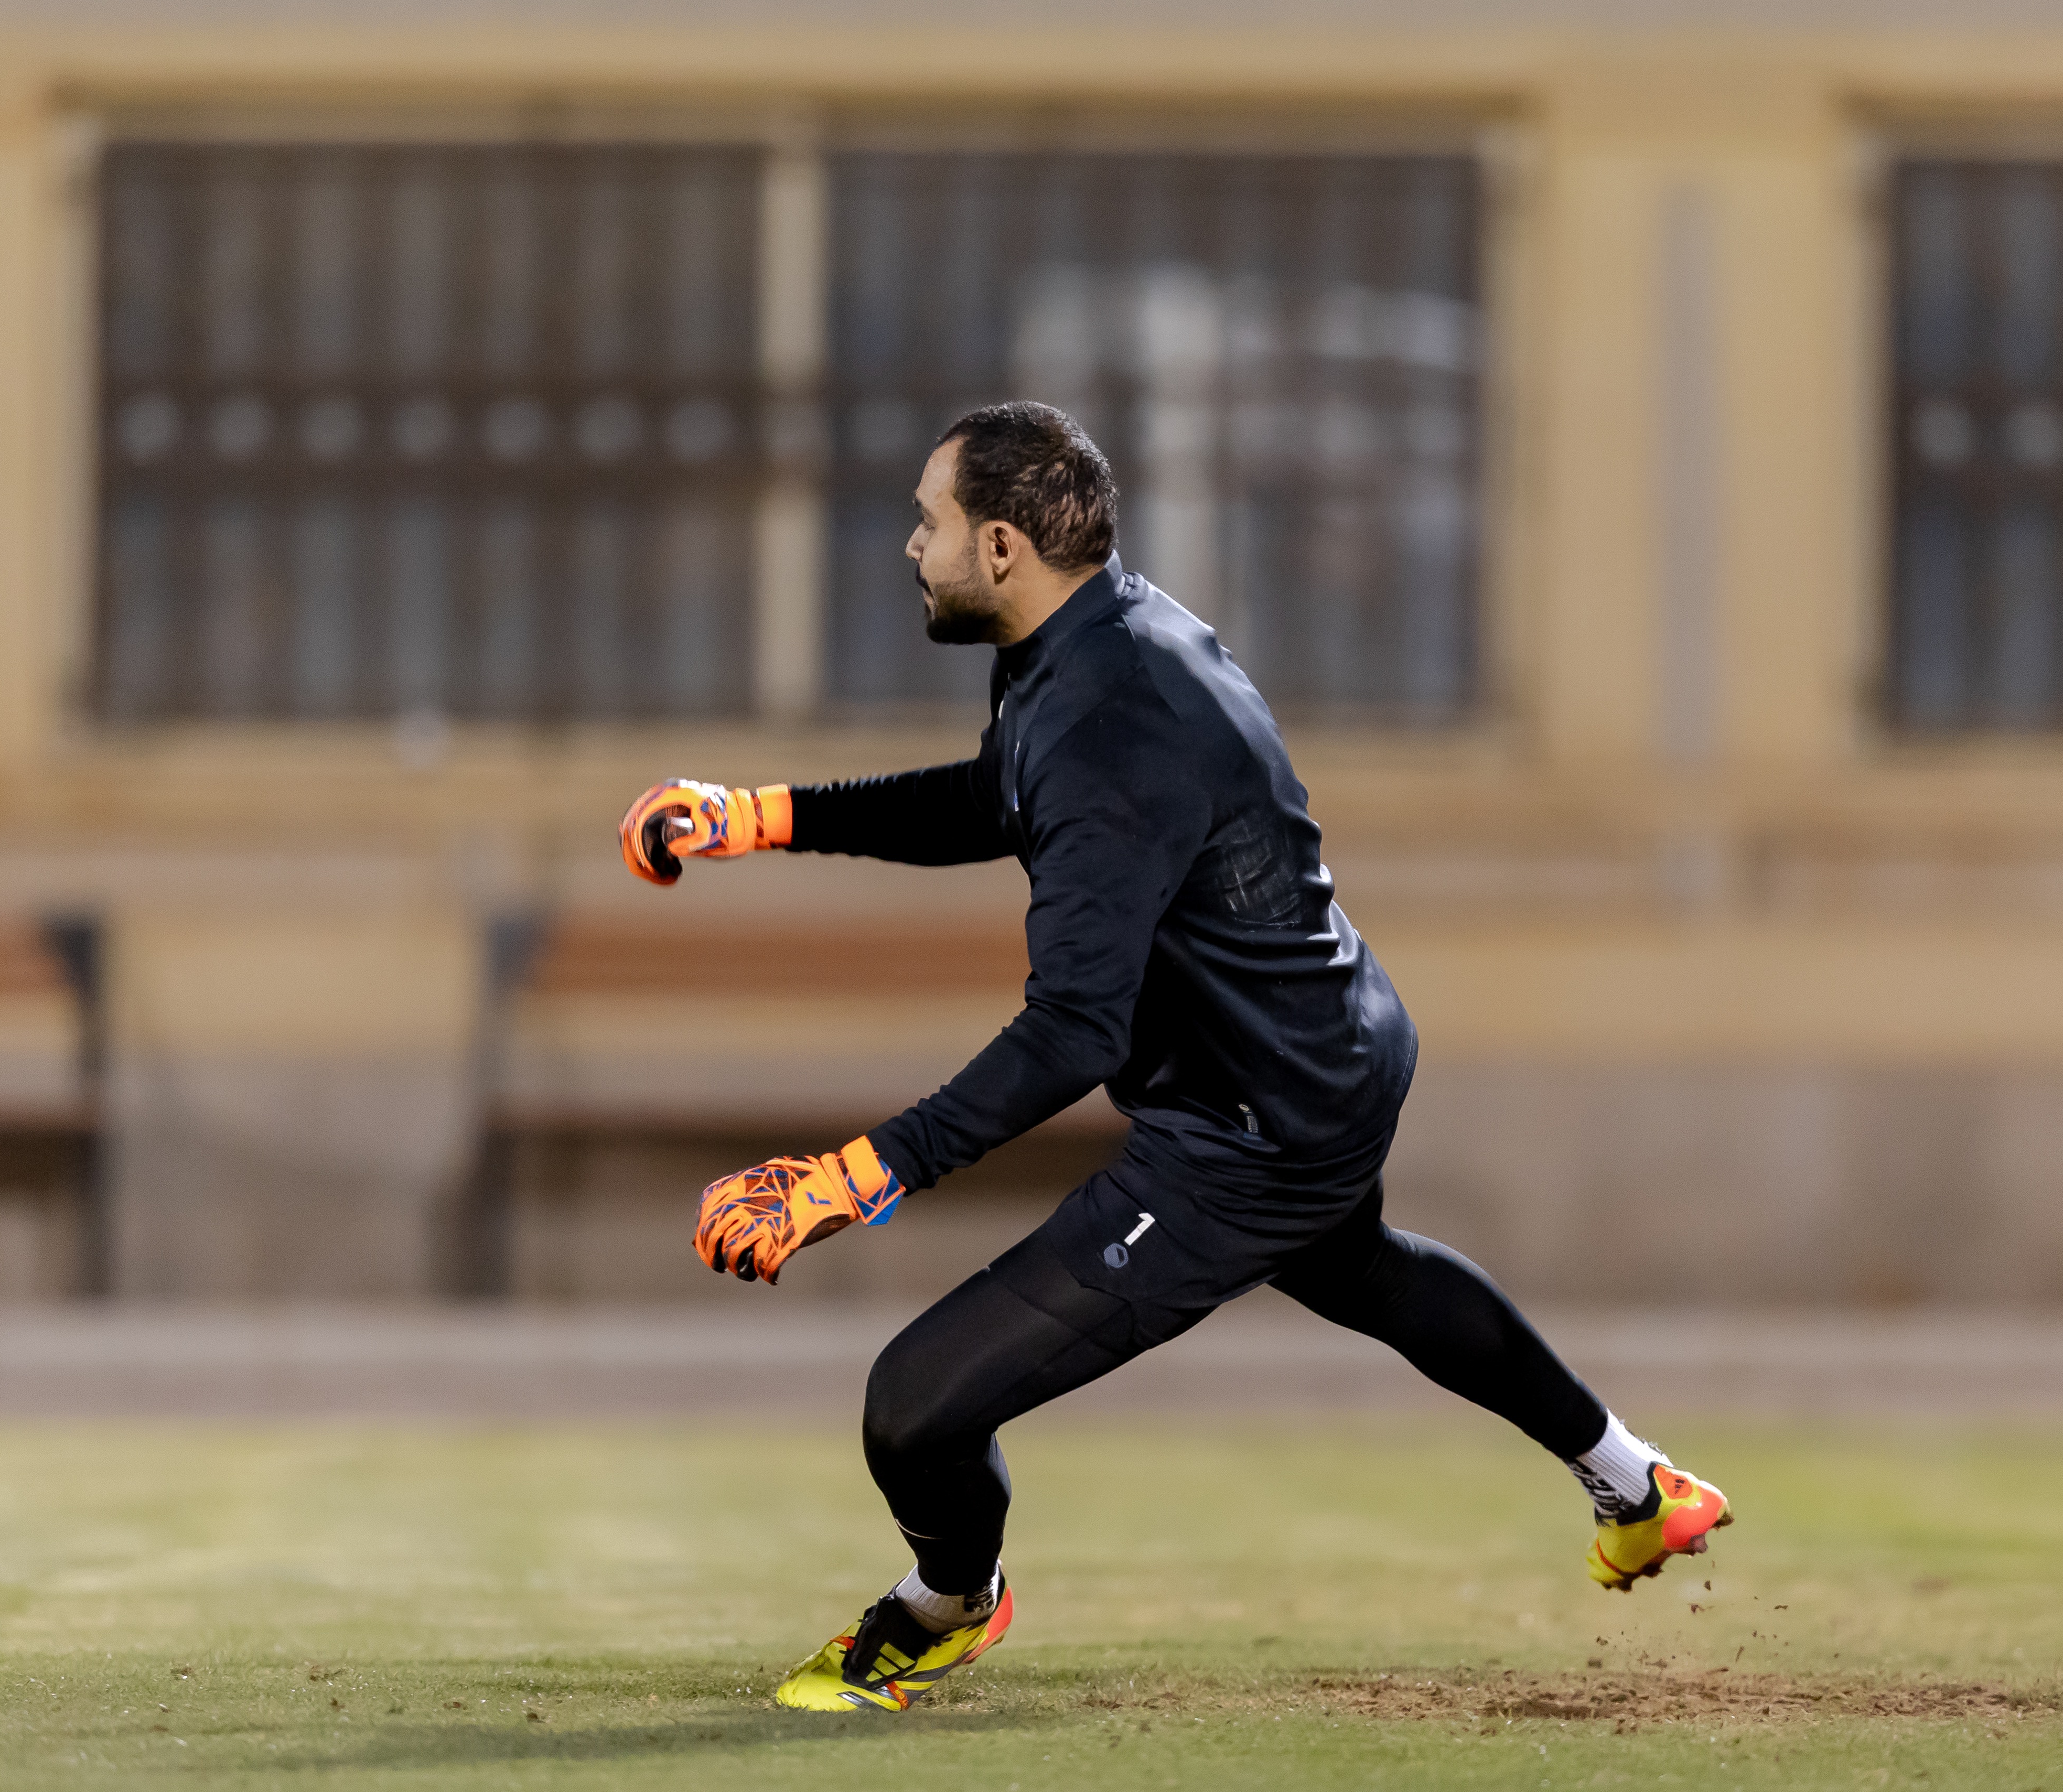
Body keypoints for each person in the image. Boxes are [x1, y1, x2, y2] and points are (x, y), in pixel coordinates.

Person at [616, 402, 1731, 1715]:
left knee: (915, 1410)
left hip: (1252, 1127)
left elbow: (1072, 1031)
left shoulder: (1110, 714)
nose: (909, 546)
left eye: (927, 523)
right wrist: (765, 817)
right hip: (1326, 1056)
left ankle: (946, 1608)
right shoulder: (1092, 640)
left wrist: (859, 1175)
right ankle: (1636, 1485)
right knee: (1358, 1267)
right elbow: (1000, 792)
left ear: (998, 546)